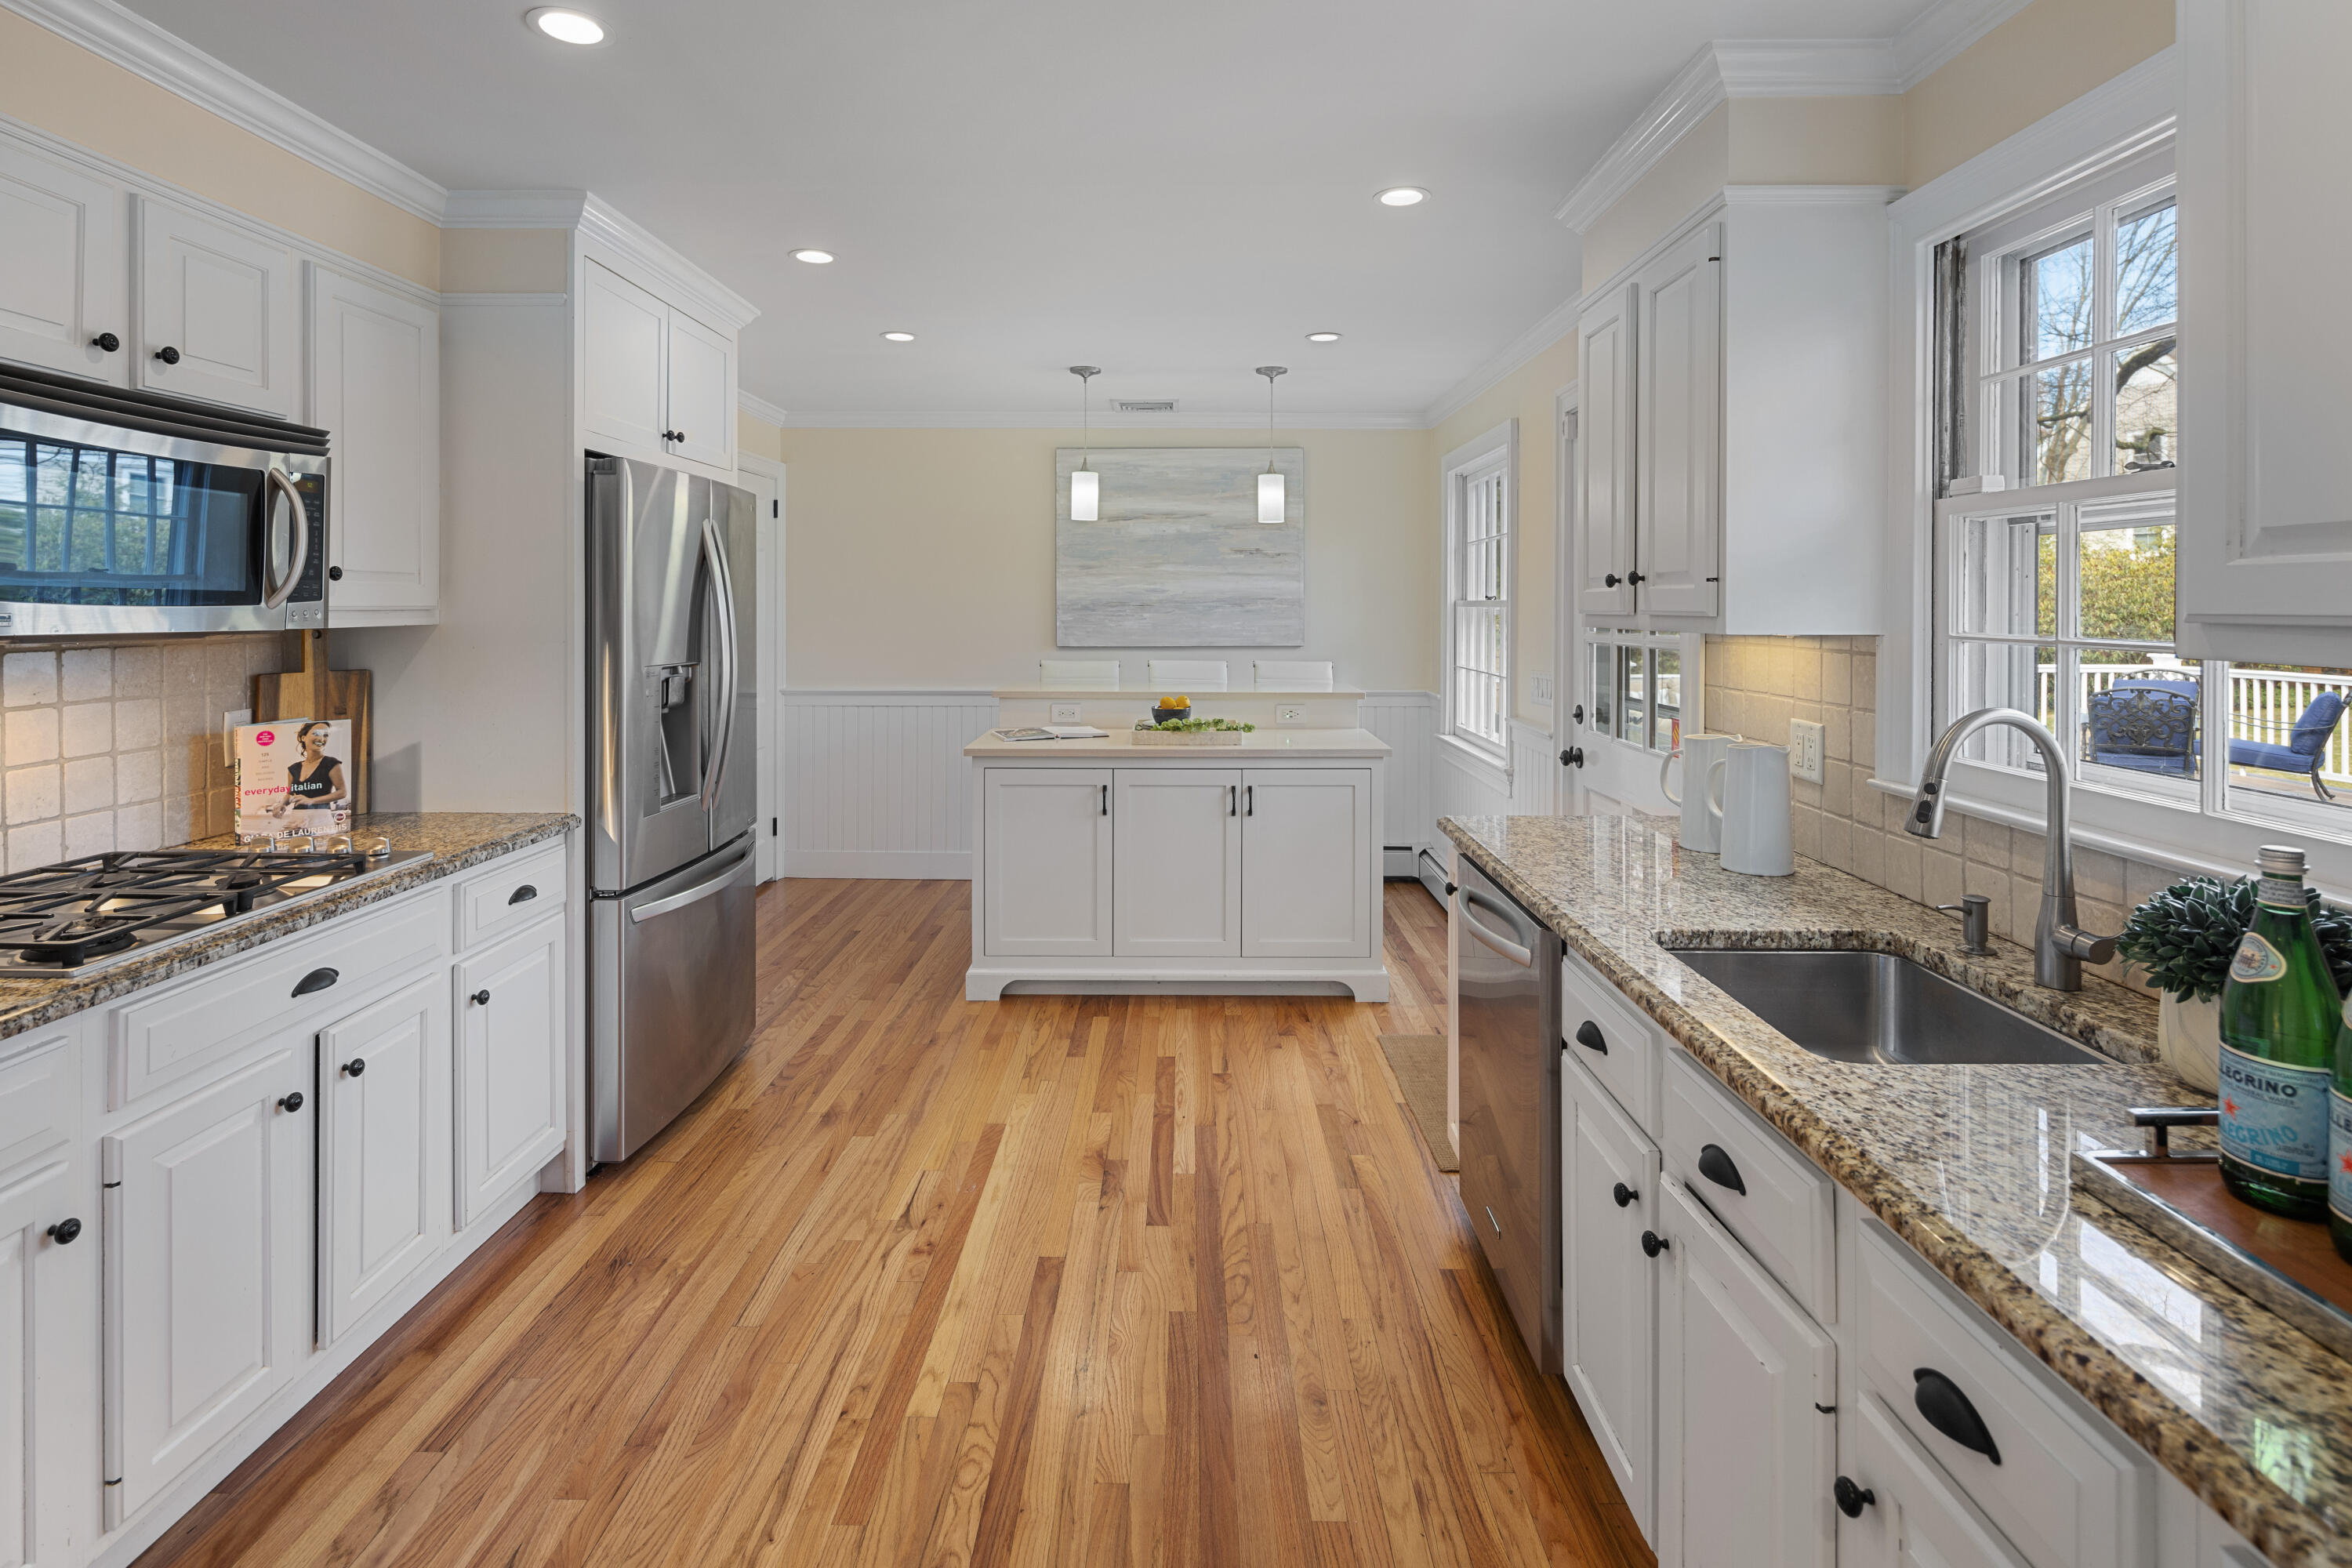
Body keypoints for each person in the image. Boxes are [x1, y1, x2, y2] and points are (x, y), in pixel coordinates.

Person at [277, 721, 348, 826]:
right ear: (303, 738)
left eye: (325, 735)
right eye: (316, 733)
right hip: (296, 818)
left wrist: (311, 801)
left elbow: (342, 792)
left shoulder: (331, 763)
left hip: (321, 818)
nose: (321, 739)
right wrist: (282, 804)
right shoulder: (293, 768)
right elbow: (290, 794)